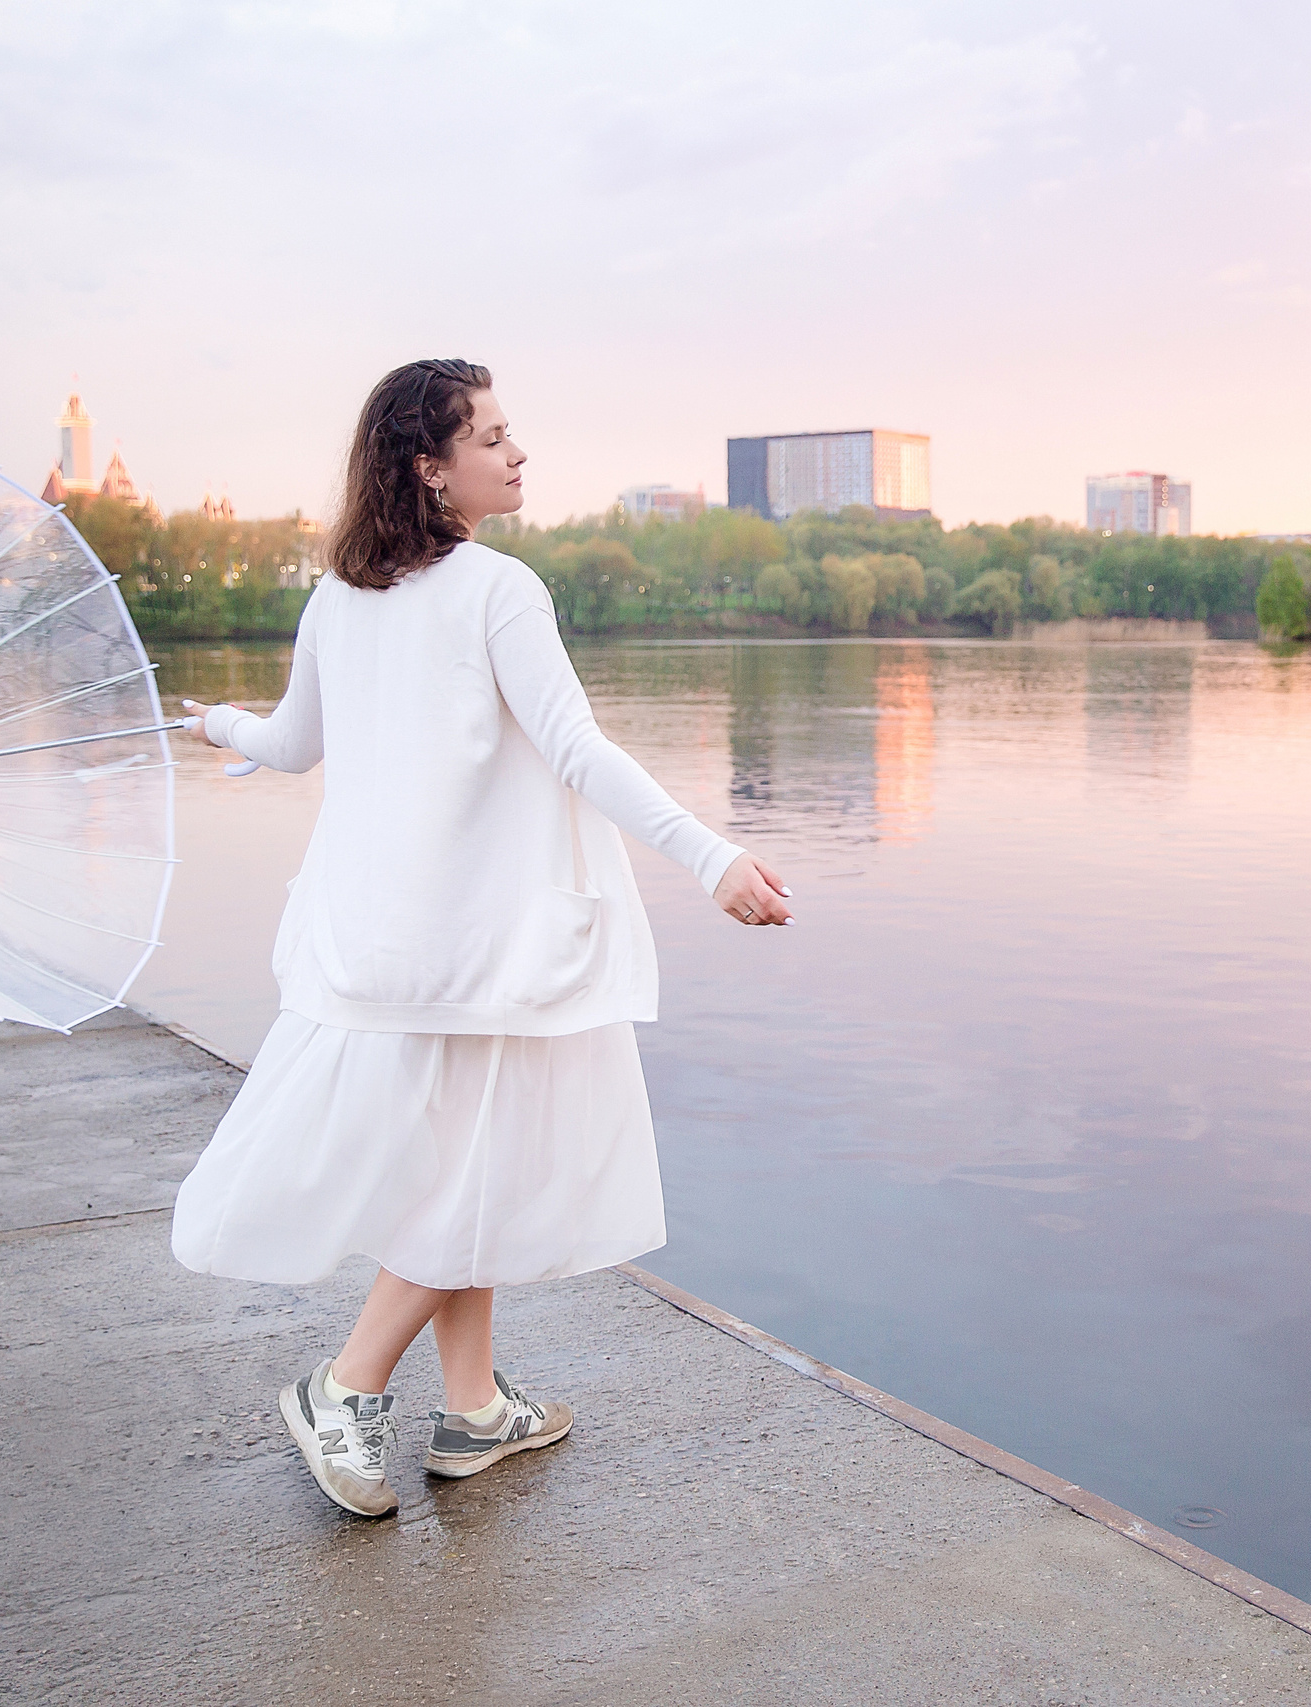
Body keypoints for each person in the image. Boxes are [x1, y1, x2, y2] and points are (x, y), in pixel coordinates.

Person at [169, 358, 791, 1518]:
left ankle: (475, 1410)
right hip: (480, 944)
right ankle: (344, 1384)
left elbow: (294, 744)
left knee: (470, 1162)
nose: (519, 454)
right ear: (429, 464)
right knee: (467, 1173)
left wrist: (213, 723)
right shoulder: (499, 590)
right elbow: (577, 750)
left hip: (375, 940)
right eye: (494, 436)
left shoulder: (335, 597)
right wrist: (713, 858)